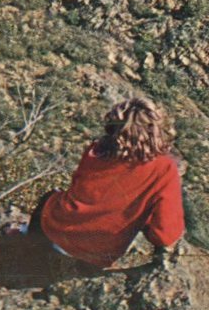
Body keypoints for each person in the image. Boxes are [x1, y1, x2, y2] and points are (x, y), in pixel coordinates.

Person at [19, 97, 185, 273]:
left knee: (50, 197)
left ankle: (23, 244)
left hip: (52, 231)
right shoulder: (164, 168)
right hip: (94, 257)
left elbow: (79, 190)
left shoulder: (97, 150)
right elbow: (165, 235)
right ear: (158, 130)